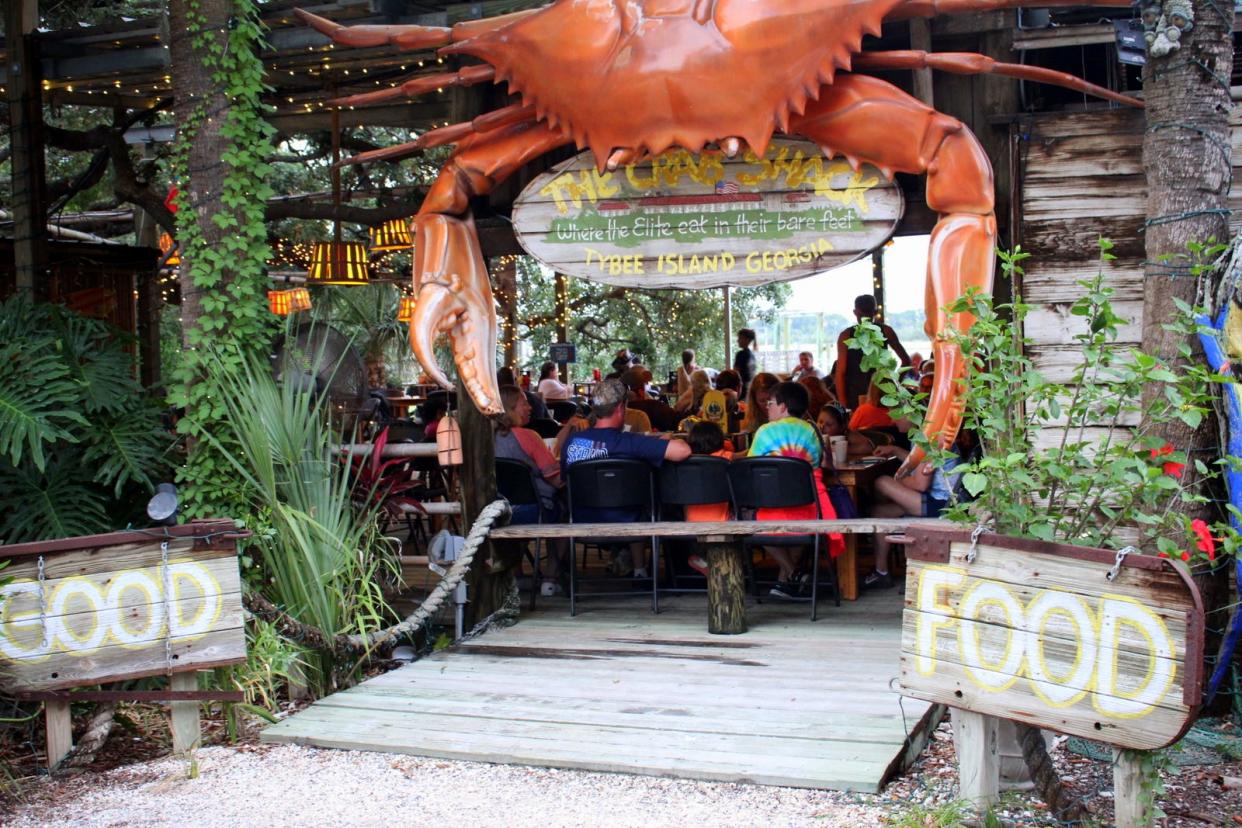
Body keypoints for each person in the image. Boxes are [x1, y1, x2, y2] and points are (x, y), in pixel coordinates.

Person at [561, 379, 691, 579]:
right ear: (621, 408)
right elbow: (682, 452)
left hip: (581, 520)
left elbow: (563, 480)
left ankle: (556, 580)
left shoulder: (572, 442)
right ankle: (641, 571)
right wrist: (674, 438)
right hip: (630, 520)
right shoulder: (631, 443)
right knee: (657, 504)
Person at [747, 381, 844, 599]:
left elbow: (749, 467)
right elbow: (820, 463)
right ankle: (790, 579)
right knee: (801, 529)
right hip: (810, 508)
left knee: (743, 521)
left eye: (770, 403)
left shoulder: (765, 431)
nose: (767, 407)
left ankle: (793, 574)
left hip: (771, 510)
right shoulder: (813, 431)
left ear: (782, 407)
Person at [864, 430, 977, 589]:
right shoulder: (930, 432)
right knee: (879, 512)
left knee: (882, 482)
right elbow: (917, 462)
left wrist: (896, 480)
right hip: (940, 500)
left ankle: (898, 556)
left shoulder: (930, 437)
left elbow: (920, 484)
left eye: (897, 411)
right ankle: (881, 572)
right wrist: (895, 450)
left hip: (942, 505)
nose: (893, 418)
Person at [494, 386, 572, 595]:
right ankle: (550, 577)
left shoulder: (485, 439)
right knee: (566, 514)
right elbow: (556, 479)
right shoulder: (528, 436)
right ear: (510, 407)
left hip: (496, 511)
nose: (530, 407)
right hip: (533, 511)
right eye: (524, 403)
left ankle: (516, 575)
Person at [835, 294, 910, 410]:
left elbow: (840, 373)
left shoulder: (846, 336)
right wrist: (894, 384)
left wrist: (844, 406)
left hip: (857, 395)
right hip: (881, 394)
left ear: (855, 312)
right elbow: (906, 361)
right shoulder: (886, 331)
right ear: (875, 311)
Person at [681, 420, 733, 576]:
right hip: (723, 520)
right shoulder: (727, 457)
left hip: (691, 523)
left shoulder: (686, 462)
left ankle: (704, 560)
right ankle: (719, 566)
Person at [621, 366, 678, 431]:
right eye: (645, 384)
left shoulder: (615, 412)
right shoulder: (653, 407)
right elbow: (677, 422)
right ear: (641, 392)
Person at [733, 328, 758, 396]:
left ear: (747, 340)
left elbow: (735, 373)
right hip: (750, 388)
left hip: (741, 389)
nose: (738, 340)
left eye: (740, 338)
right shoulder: (752, 355)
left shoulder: (741, 354)